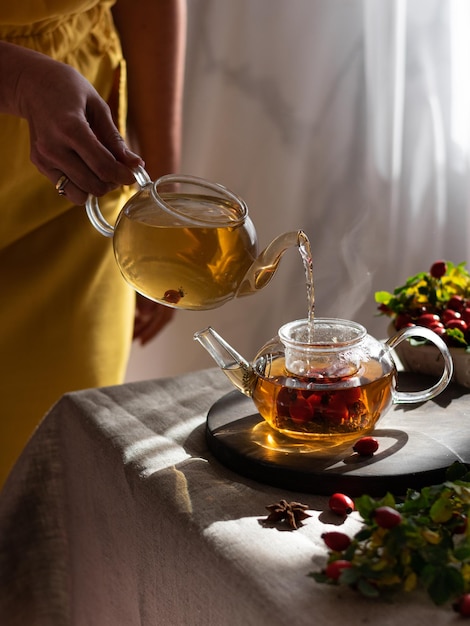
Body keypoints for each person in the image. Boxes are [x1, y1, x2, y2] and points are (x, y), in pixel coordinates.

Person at [0, 0, 186, 488]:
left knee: (57, 484)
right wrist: (18, 79)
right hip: (50, 104)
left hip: (79, 168)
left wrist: (160, 196)